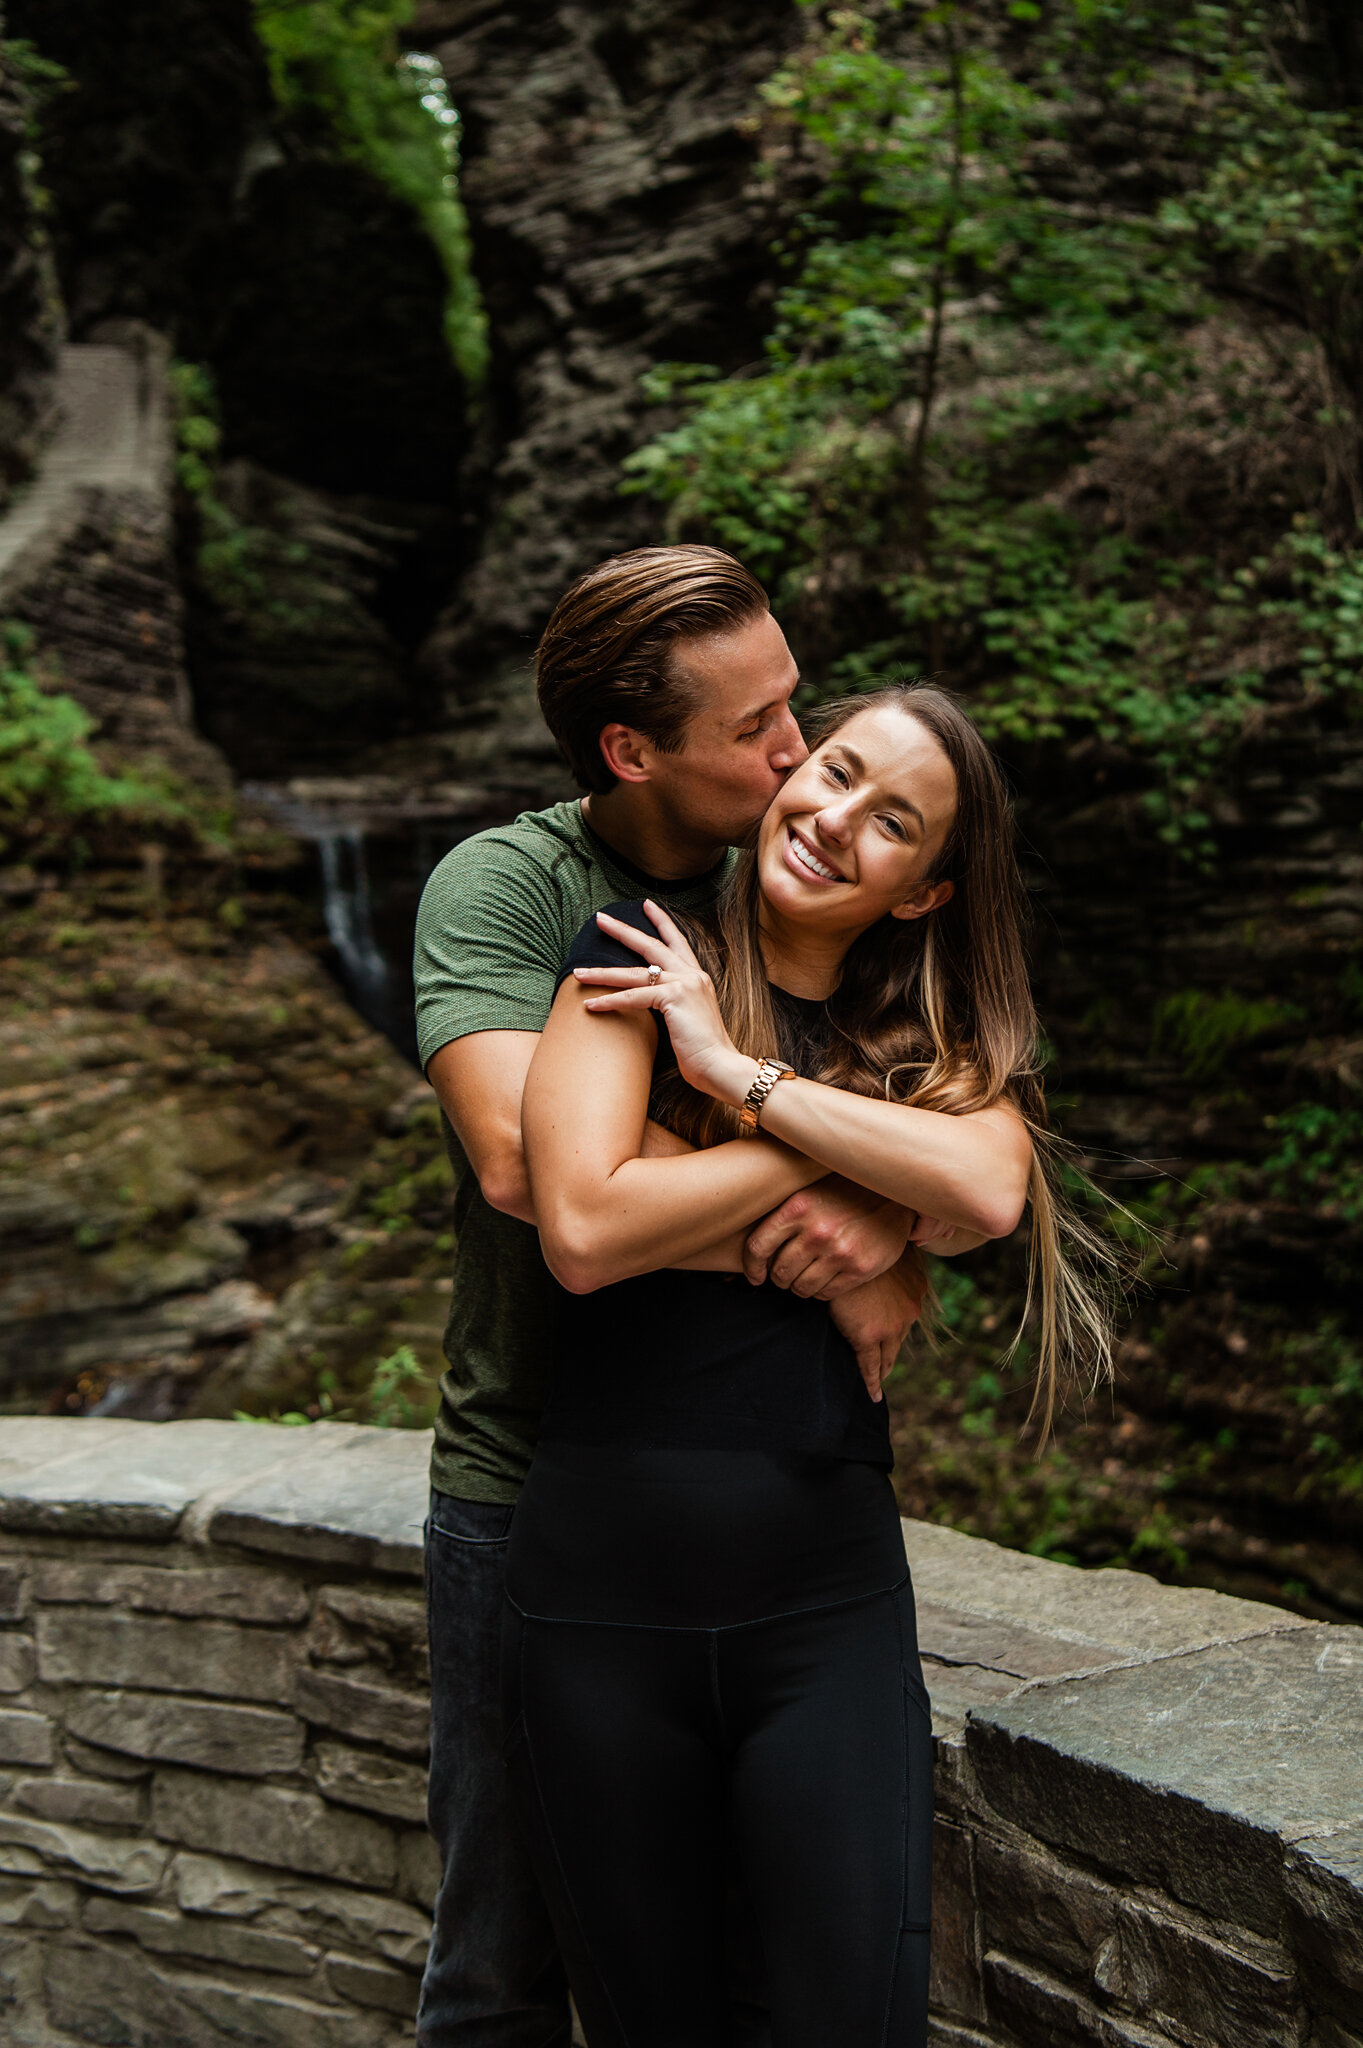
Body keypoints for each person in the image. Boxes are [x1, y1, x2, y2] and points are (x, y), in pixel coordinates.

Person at [507, 682, 1119, 2046]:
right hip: (598, 1609)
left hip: (820, 1620)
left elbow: (993, 1194)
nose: (836, 820)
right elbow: (589, 1227)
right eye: (834, 772)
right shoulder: (637, 964)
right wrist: (845, 1163)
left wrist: (737, 1074)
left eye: (891, 821)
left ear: (920, 892)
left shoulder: (923, 1048)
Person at [413, 548, 942, 2047]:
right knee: (503, 1964)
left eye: (798, 707)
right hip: (526, 1489)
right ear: (632, 753)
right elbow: (545, 1182)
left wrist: (896, 1220)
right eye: (758, 728)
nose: (797, 756)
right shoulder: (513, 888)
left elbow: (957, 1150)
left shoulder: (784, 882)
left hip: (767, 1507)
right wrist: (845, 1200)